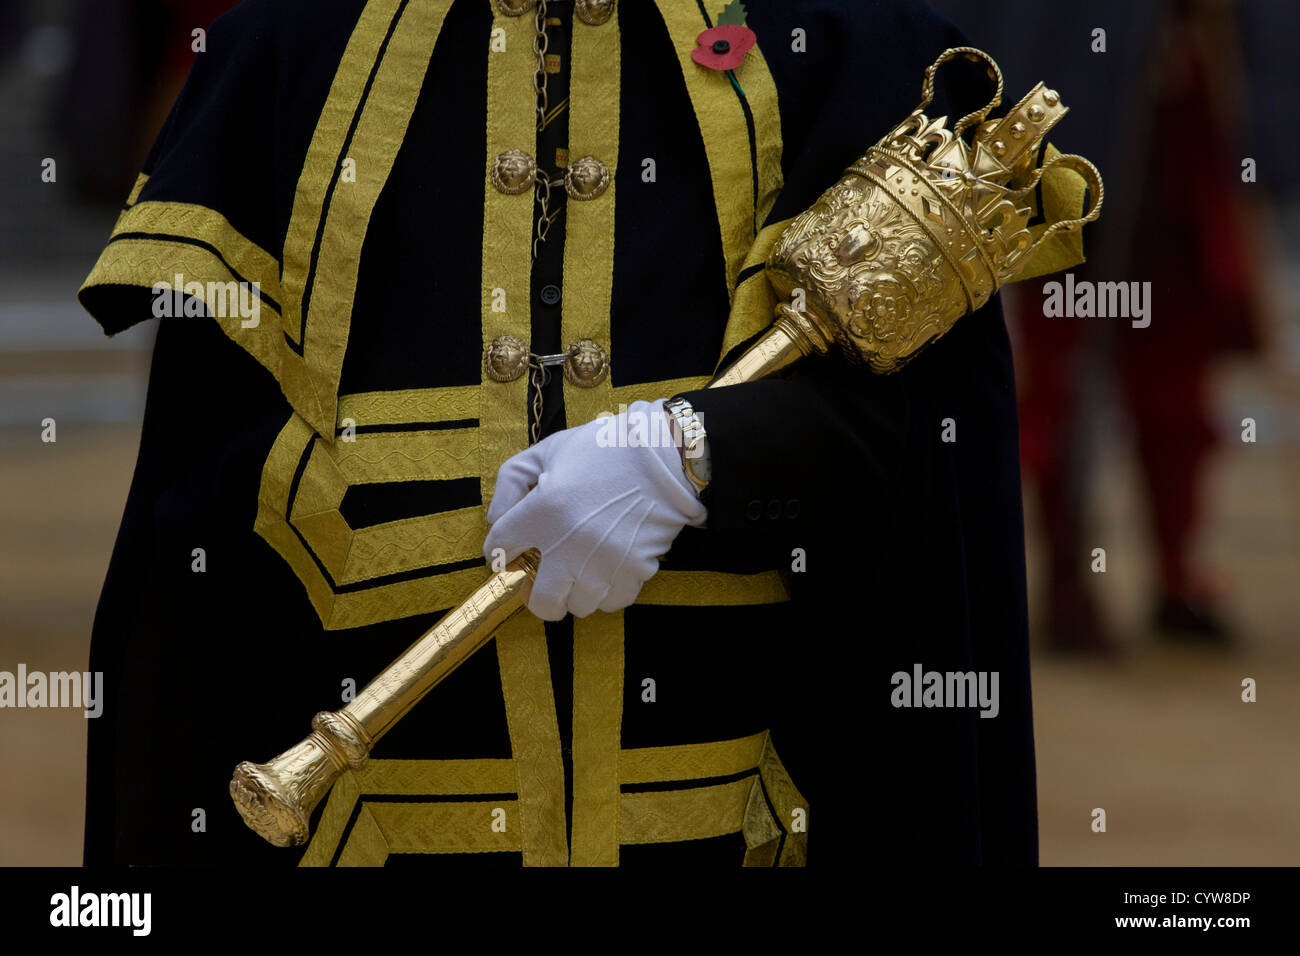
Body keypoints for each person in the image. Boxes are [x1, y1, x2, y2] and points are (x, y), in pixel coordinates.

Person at [79, 0, 1038, 866]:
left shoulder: (847, 41)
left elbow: (939, 458)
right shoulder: (287, 53)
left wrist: (704, 455)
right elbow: (194, 563)